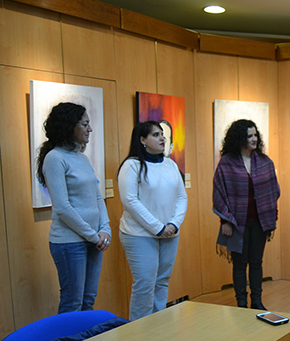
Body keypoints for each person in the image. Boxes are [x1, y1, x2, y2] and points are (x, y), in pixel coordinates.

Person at [36, 102, 111, 313]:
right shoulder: (54, 158)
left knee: (88, 300)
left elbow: (97, 197)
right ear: (70, 126)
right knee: (72, 303)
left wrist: (105, 229)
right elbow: (62, 207)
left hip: (94, 239)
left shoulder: (82, 158)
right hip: (70, 242)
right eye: (85, 124)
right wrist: (93, 236)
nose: (90, 129)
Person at [117, 121, 188, 320]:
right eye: (156, 135)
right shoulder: (132, 165)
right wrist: (158, 228)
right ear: (142, 140)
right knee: (145, 283)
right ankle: (139, 333)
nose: (162, 139)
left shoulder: (171, 165)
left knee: (162, 281)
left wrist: (173, 224)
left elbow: (182, 197)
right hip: (139, 235)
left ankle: (158, 327)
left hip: (170, 233)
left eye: (162, 135)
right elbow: (130, 201)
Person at [213, 119, 280, 310]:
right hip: (236, 223)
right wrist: (224, 220)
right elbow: (219, 193)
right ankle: (241, 303)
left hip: (260, 222)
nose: (254, 139)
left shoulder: (265, 162)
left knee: (257, 263)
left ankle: (257, 302)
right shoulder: (227, 163)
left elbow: (273, 191)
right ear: (239, 138)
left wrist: (271, 217)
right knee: (240, 265)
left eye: (255, 135)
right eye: (249, 136)